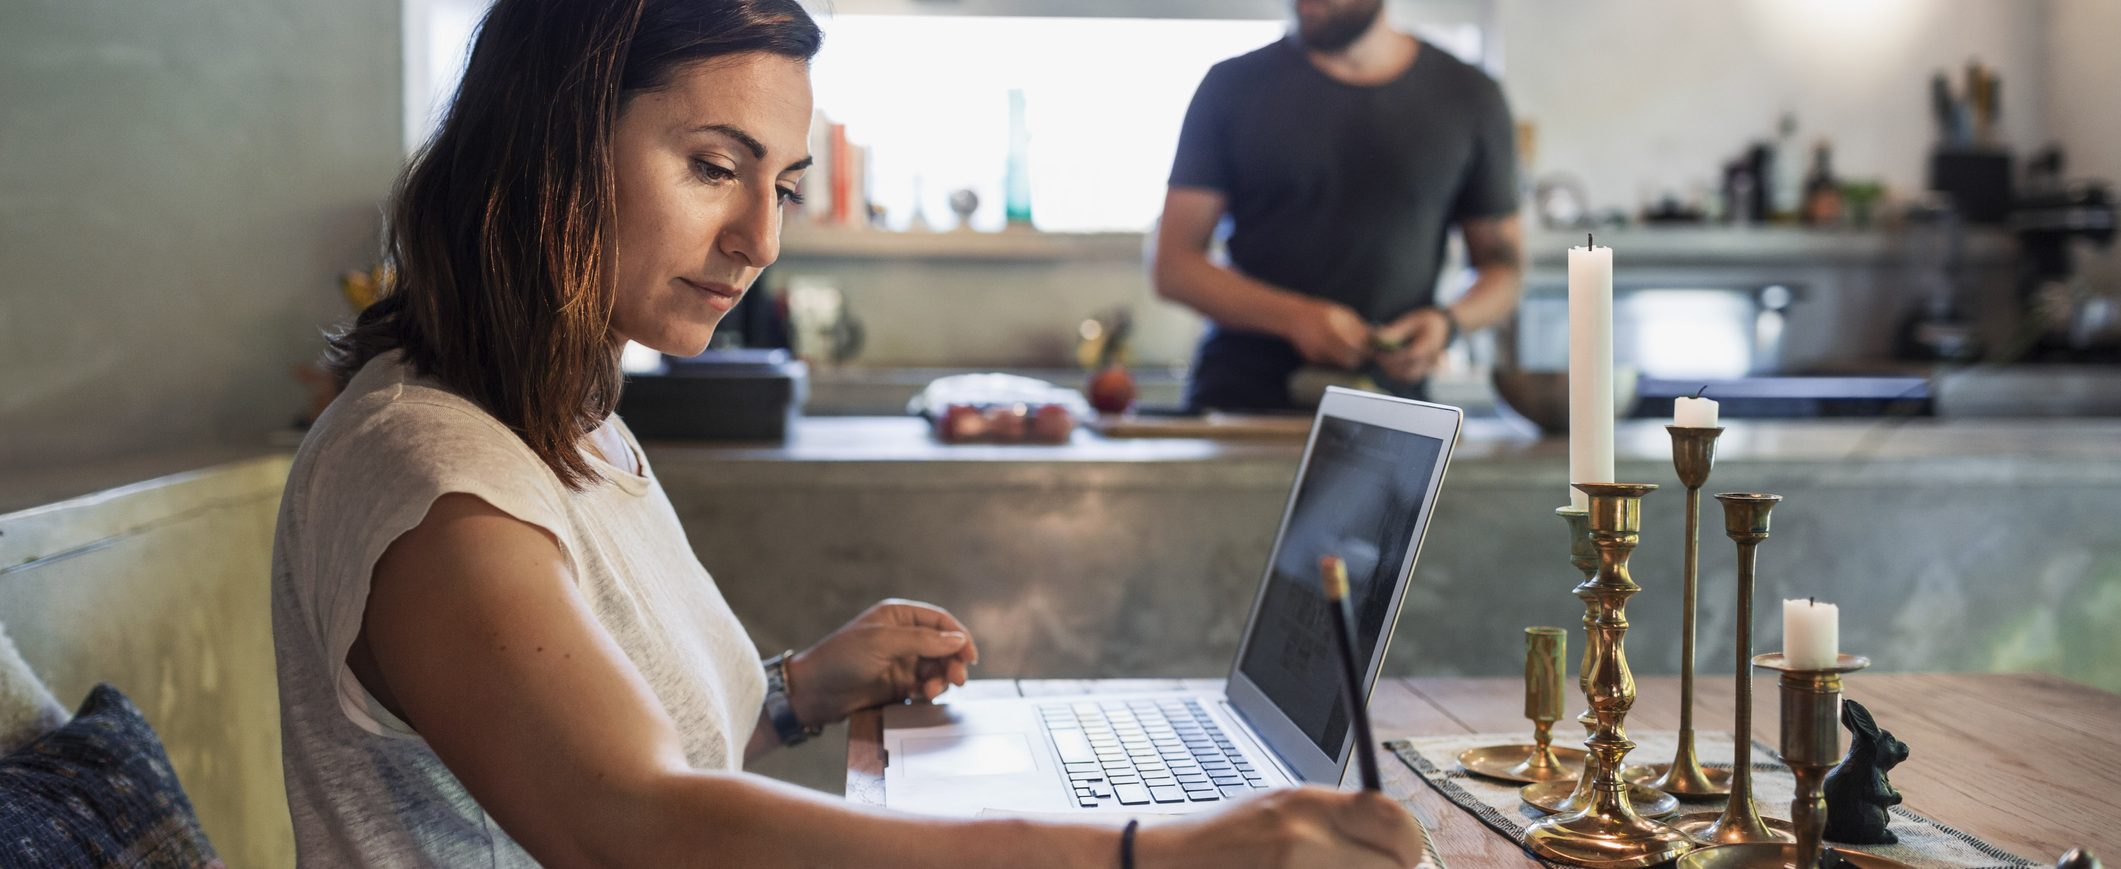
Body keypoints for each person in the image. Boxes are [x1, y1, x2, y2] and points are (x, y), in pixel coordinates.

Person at [271, 1, 1432, 866]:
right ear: (548, 146)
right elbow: (632, 820)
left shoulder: (565, 425)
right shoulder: (434, 474)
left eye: (780, 185)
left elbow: (615, 736)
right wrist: (1150, 853)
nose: (758, 239)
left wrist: (796, 688)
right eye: (714, 166)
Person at [1153, 0, 1525, 411]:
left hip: (1392, 410)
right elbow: (1174, 265)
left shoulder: (1469, 95)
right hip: (1241, 405)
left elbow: (1502, 269)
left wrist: (1447, 323)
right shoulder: (1231, 86)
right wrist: (1294, 317)